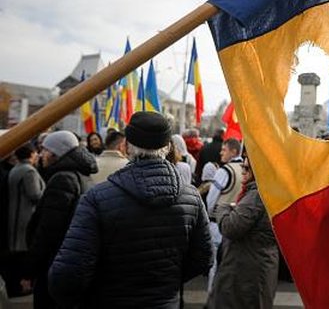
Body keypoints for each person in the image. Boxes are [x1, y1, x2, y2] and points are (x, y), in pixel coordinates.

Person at [48, 111, 213, 308]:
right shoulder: (192, 198)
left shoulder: (96, 198)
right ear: (168, 147)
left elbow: (66, 275)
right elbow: (203, 258)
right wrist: (166, 282)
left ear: (125, 147)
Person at [24, 131, 97, 308]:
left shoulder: (62, 179)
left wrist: (30, 269)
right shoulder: (81, 175)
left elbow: (48, 230)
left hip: (54, 262)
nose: (41, 155)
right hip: (70, 262)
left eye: (45, 150)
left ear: (56, 153)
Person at [207, 155, 279, 308]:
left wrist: (223, 208)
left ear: (257, 171)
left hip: (248, 274)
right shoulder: (261, 191)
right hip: (251, 270)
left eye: (246, 168)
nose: (243, 172)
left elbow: (230, 227)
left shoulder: (256, 195)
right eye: (242, 167)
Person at [205, 138, 244, 291]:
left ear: (233, 151)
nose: (221, 153)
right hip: (239, 225)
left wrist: (210, 216)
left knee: (215, 267)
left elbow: (211, 199)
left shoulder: (224, 171)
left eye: (224, 150)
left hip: (219, 226)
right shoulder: (246, 168)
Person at [7, 144, 44, 252]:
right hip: (26, 213)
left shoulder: (16, 168)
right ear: (31, 154)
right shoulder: (29, 171)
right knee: (23, 245)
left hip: (15, 212)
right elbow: (35, 194)